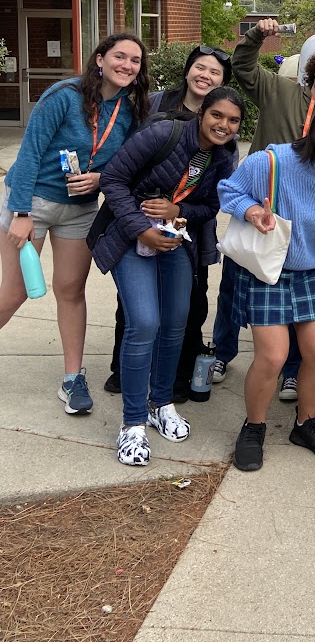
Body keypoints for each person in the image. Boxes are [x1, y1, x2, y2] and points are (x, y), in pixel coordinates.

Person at [218, 101, 315, 471]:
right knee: (273, 357)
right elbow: (228, 191)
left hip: (310, 270)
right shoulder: (271, 162)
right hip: (268, 271)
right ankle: (254, 427)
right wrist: (252, 212)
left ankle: (306, 424)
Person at [212, 19, 315, 401]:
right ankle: (221, 353)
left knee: (305, 310)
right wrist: (256, 35)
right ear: (314, 68)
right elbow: (242, 66)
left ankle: (293, 373)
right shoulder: (280, 90)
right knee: (233, 288)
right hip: (263, 216)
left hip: (310, 228)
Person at [92, 87, 243, 466]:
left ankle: (160, 404)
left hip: (175, 240)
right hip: (130, 236)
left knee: (176, 322)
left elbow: (211, 206)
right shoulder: (164, 134)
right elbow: (113, 179)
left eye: (233, 120)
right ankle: (132, 423)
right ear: (201, 113)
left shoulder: (224, 158)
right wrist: (141, 229)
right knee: (144, 323)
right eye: (217, 115)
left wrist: (179, 210)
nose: (223, 125)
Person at [0, 32, 149, 415]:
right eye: (120, 56)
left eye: (135, 60)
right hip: (32, 201)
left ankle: (72, 379)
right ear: (100, 59)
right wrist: (21, 214)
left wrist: (100, 178)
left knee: (70, 290)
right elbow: (30, 152)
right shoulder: (64, 96)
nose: (127, 65)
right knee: (14, 293)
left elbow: (124, 165)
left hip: (80, 209)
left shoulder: (129, 111)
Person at [104, 45, 233, 401]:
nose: (205, 75)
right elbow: (122, 165)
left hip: (188, 233)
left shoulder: (224, 137)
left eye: (215, 72)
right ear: (188, 70)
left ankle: (175, 380)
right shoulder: (157, 108)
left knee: (187, 307)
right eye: (200, 67)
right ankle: (125, 374)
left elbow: (214, 199)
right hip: (137, 220)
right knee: (136, 308)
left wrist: (179, 210)